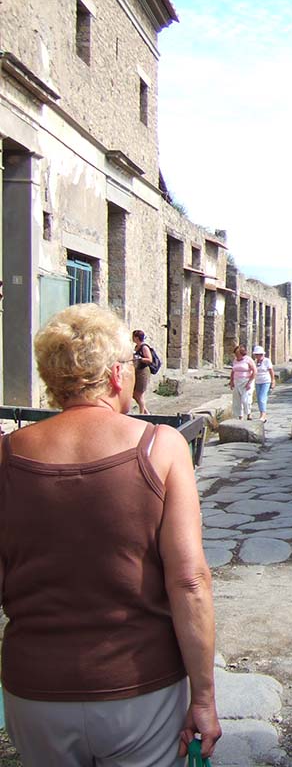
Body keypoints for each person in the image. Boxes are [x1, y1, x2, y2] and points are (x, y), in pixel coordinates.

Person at [0, 303, 221, 764]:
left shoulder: (6, 456)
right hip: (140, 688)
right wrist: (203, 697)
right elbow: (189, 580)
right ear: (118, 376)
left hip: (36, 688)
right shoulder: (161, 448)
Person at [228, 344, 257, 420]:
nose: (236, 355)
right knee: (237, 399)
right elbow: (233, 371)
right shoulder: (235, 361)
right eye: (235, 354)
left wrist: (249, 382)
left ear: (242, 353)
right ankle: (240, 415)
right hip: (237, 381)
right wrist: (231, 381)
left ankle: (248, 413)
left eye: (238, 354)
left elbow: (254, 371)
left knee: (245, 399)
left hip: (246, 381)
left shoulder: (248, 359)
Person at [132, 329, 154, 415]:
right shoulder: (136, 347)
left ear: (136, 337)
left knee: (139, 394)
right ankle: (146, 412)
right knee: (135, 394)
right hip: (137, 371)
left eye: (133, 336)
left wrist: (139, 358)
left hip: (143, 372)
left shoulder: (144, 347)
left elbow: (149, 360)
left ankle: (142, 414)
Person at [252, 346, 275, 423]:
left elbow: (271, 371)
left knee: (262, 398)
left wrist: (273, 381)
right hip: (258, 381)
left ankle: (263, 415)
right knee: (259, 399)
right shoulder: (255, 362)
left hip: (266, 381)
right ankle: (262, 413)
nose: (258, 356)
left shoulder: (267, 361)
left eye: (260, 354)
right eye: (257, 354)